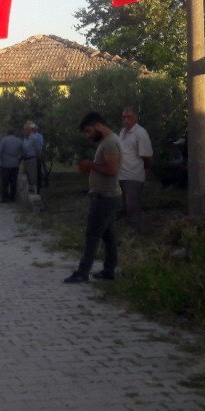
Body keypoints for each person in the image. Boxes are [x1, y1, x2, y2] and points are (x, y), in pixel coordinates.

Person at [64, 112, 122, 284]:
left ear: (98, 126)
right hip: (108, 196)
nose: (88, 136)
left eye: (89, 131)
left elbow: (112, 171)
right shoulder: (108, 141)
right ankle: (109, 270)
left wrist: (90, 165)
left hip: (105, 197)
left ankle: (82, 272)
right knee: (109, 235)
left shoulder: (110, 143)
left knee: (92, 235)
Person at [118, 108, 153, 231]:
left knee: (133, 204)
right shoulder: (122, 132)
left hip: (133, 175)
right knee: (125, 204)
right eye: (124, 117)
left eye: (129, 117)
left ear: (135, 118)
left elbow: (147, 155)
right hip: (122, 174)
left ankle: (136, 230)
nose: (126, 120)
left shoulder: (140, 133)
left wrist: (147, 169)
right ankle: (127, 228)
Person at [0, 128, 23, 203]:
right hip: (15, 164)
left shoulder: (4, 140)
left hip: (5, 164)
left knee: (4, 182)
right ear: (14, 133)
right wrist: (20, 159)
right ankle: (12, 197)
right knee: (13, 181)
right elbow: (24, 151)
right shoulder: (19, 140)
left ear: (7, 133)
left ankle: (4, 198)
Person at [22, 122, 44, 194]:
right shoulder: (25, 139)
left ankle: (34, 193)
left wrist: (38, 159)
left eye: (26, 130)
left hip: (32, 159)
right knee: (27, 177)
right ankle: (29, 193)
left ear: (30, 130)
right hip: (25, 160)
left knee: (32, 177)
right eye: (24, 130)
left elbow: (38, 149)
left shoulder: (34, 138)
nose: (24, 131)